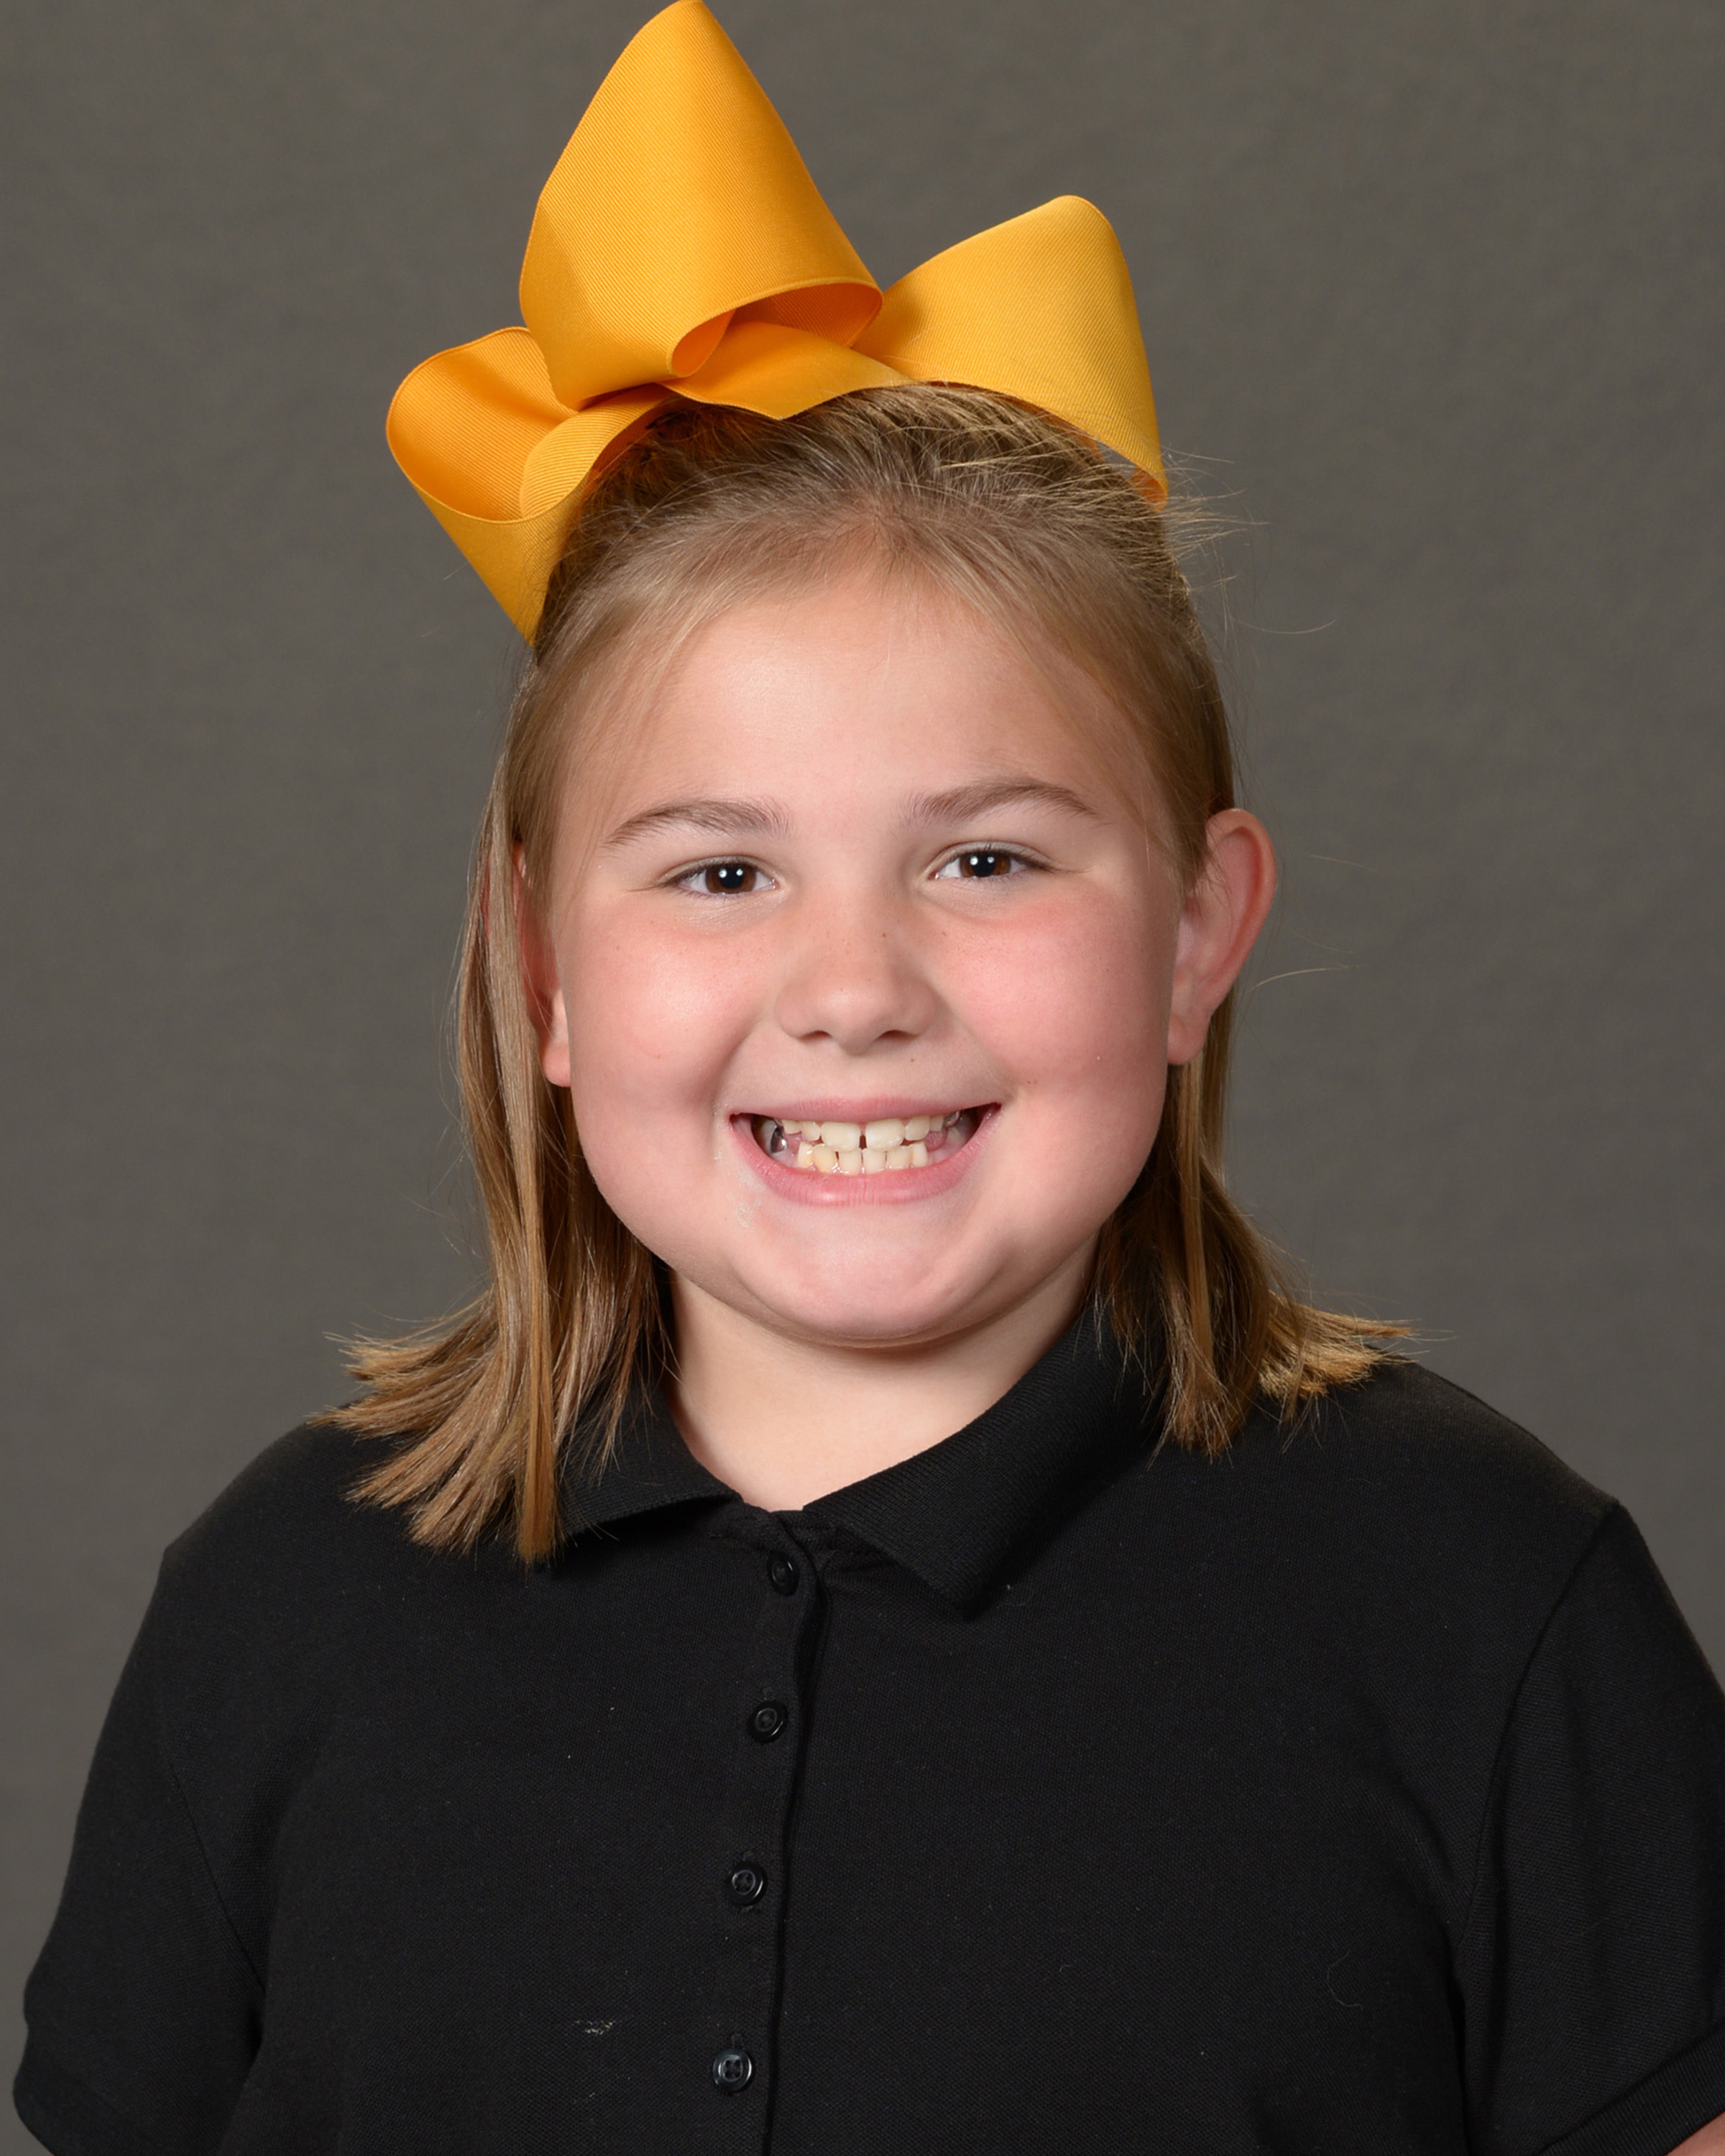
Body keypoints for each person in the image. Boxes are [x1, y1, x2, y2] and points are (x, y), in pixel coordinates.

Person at [17, 4, 1725, 2152]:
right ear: (543, 966)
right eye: (720, 871)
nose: (852, 991)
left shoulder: (1485, 1600)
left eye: (985, 860)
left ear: (1198, 932)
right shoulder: (282, 1605)